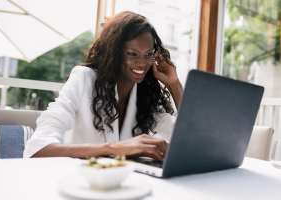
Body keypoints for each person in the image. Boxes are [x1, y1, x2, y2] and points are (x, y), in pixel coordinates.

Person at [23, 11, 183, 162]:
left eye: (148, 54)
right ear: (115, 53)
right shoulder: (84, 79)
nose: (142, 62)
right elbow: (37, 150)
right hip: (79, 180)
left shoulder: (144, 95)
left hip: (124, 183)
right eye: (132, 54)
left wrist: (174, 84)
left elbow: (188, 136)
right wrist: (115, 148)